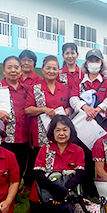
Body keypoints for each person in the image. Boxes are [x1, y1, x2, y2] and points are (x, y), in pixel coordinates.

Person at [25, 115, 85, 213]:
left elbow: (79, 176)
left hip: (64, 195)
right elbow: (38, 174)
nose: (61, 133)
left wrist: (62, 194)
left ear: (71, 131)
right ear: (52, 132)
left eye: (65, 129)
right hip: (42, 195)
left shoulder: (78, 150)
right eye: (57, 130)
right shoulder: (44, 150)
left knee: (66, 210)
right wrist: (56, 191)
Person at [69, 48, 107, 196]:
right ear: (86, 63)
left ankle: (101, 186)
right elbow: (73, 98)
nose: (93, 63)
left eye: (97, 60)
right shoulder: (79, 81)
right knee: (84, 154)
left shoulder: (106, 82)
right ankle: (85, 187)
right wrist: (86, 108)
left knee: (100, 153)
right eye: (90, 61)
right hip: (82, 123)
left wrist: (97, 109)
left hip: (99, 122)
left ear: (101, 63)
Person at [25, 55, 71, 187]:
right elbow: (28, 109)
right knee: (39, 161)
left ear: (58, 71)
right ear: (43, 69)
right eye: (48, 68)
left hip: (59, 132)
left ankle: (58, 184)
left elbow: (69, 107)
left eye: (54, 68)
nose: (51, 71)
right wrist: (44, 109)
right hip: (40, 132)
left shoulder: (64, 89)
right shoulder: (35, 88)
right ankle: (36, 188)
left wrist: (68, 110)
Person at [0, 56, 29, 181]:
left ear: (20, 71)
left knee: (18, 167)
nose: (13, 70)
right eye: (9, 67)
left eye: (16, 67)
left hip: (23, 137)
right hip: (3, 136)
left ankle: (13, 193)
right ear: (4, 71)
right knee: (1, 167)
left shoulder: (26, 89)